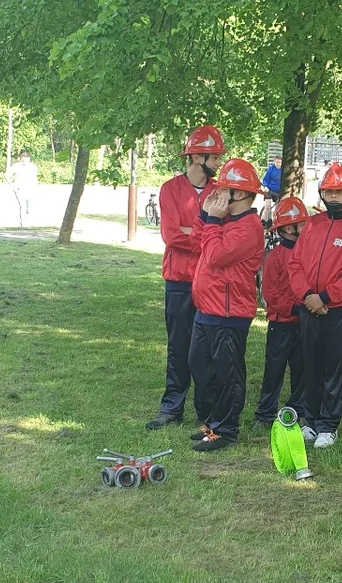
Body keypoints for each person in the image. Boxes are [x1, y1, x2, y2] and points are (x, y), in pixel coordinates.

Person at [146, 125, 225, 430]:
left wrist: (193, 232)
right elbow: (171, 235)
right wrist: (204, 235)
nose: (218, 162)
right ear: (195, 156)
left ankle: (207, 411)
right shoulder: (170, 189)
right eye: (214, 156)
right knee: (178, 345)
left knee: (206, 349)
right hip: (179, 281)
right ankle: (171, 407)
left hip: (208, 282)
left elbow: (220, 234)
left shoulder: (220, 191)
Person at [287, 162, 342, 448]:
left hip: (339, 311)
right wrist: (308, 295)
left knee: (333, 369)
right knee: (310, 366)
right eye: (329, 192)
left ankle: (328, 424)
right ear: (322, 194)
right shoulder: (312, 224)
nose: (334, 197)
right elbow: (295, 263)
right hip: (309, 308)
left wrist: (325, 298)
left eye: (340, 192)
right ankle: (309, 421)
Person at [189, 159, 266, 452]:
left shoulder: (249, 227)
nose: (221, 194)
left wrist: (211, 221)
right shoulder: (223, 221)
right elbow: (200, 241)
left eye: (228, 190)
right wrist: (205, 214)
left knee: (227, 374)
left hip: (229, 313)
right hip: (207, 310)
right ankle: (210, 423)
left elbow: (216, 256)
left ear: (245, 195)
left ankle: (227, 429)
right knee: (201, 368)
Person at [253, 196, 309, 430]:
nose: (306, 229)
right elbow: (271, 293)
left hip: (304, 323)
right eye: (301, 224)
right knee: (274, 371)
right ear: (288, 228)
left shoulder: (308, 255)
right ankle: (265, 415)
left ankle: (298, 411)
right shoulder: (275, 257)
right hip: (281, 324)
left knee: (302, 371)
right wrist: (295, 307)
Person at [5, 151, 39, 226]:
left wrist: (36, 190)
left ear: (29, 159)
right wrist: (13, 186)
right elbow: (7, 175)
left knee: (30, 208)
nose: (25, 162)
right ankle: (23, 224)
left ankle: (28, 222)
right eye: (23, 160)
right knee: (23, 207)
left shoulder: (33, 167)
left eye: (26, 160)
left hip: (31, 190)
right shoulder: (17, 166)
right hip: (20, 189)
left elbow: (35, 179)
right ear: (21, 159)